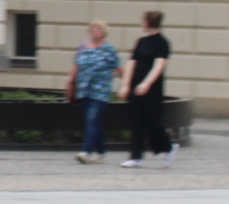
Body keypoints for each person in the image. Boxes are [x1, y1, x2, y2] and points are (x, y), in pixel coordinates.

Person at [120, 9, 176, 168]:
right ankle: (135, 156)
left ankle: (168, 148)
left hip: (152, 88)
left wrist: (146, 84)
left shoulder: (162, 43)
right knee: (136, 121)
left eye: (143, 20)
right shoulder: (141, 41)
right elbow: (132, 63)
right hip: (135, 84)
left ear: (148, 22)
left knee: (152, 120)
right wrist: (126, 84)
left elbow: (159, 66)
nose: (141, 23)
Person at [66, 21, 122, 163]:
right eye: (93, 29)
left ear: (104, 32)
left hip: (100, 91)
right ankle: (102, 151)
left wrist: (125, 84)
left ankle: (86, 151)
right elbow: (75, 66)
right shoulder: (82, 47)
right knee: (94, 121)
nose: (95, 31)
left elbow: (120, 69)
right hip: (84, 89)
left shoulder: (109, 50)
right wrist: (70, 83)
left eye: (98, 29)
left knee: (91, 118)